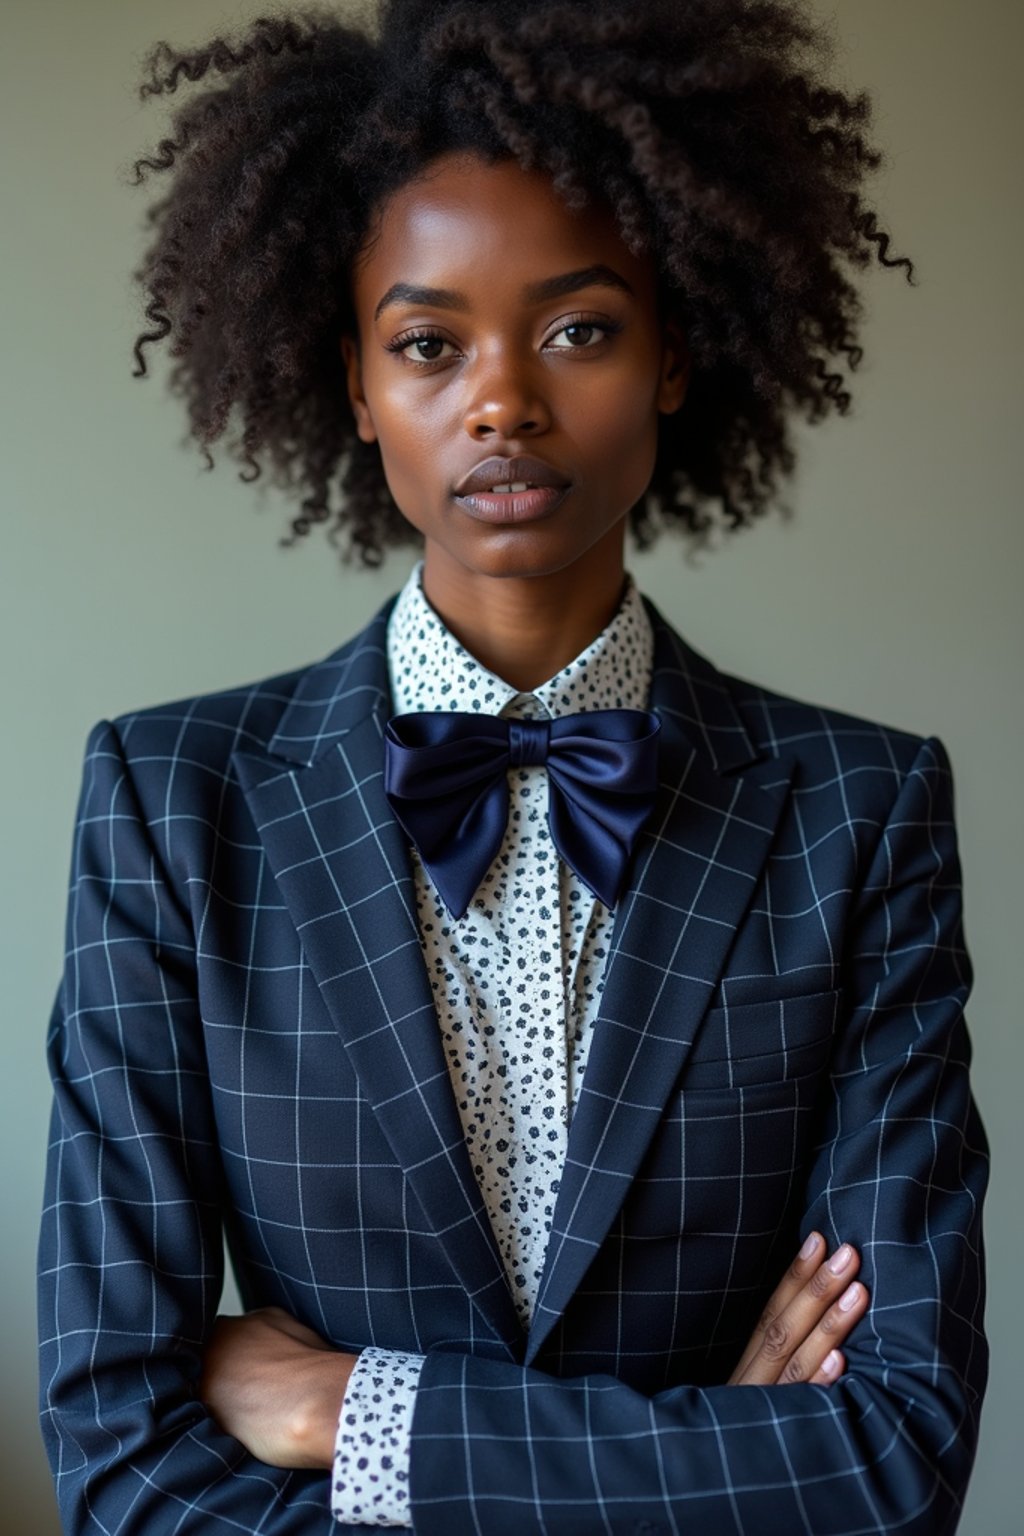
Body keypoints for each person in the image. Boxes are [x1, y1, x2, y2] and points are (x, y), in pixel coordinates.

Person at [37, 2, 988, 1532]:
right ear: (351, 384)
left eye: (580, 329)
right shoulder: (171, 804)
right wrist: (713, 1453)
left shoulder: (858, 816)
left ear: (676, 352)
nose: (503, 400)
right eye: (428, 343)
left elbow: (892, 1461)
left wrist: (358, 1411)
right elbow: (124, 1463)